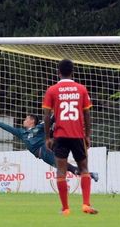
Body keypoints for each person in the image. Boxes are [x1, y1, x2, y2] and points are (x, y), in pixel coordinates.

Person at [43, 59, 97, 215]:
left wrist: (48, 137)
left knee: (61, 171)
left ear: (58, 72)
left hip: (60, 135)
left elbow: (46, 116)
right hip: (78, 135)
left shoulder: (52, 90)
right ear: (72, 71)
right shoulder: (81, 89)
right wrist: (87, 135)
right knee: (84, 168)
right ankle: (86, 204)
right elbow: (87, 113)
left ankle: (65, 209)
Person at [0, 110, 99, 182]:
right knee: (67, 168)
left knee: (64, 165)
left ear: (32, 121)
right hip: (44, 154)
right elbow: (9, 128)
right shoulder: (22, 133)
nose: (24, 120)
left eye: (26, 118)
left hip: (45, 150)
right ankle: (89, 174)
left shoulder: (40, 127)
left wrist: (60, 107)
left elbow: (51, 118)